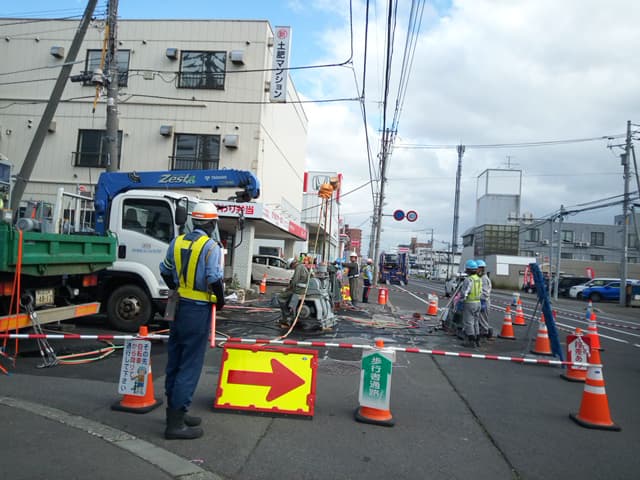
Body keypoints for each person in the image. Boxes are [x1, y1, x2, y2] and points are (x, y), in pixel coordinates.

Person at [159, 201, 225, 440]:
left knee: (175, 361)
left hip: (177, 307)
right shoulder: (211, 247)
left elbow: (165, 271)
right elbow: (214, 278)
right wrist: (221, 300)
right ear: (212, 224)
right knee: (190, 364)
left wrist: (177, 289)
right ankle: (175, 424)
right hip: (197, 311)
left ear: (194, 221)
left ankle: (176, 413)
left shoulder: (176, 242)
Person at [278, 257, 310, 326]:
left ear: (293, 264)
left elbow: (294, 281)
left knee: (280, 297)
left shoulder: (298, 268)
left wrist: (287, 289)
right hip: (303, 289)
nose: (292, 268)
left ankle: (287, 315)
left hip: (298, 290)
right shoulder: (303, 266)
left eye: (291, 267)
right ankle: (288, 314)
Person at [457, 259, 482, 347]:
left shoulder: (468, 280)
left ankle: (471, 341)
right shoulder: (479, 279)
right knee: (475, 322)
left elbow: (464, 293)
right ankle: (477, 340)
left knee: (468, 322)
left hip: (470, 302)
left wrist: (460, 300)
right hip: (478, 302)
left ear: (468, 269)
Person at [476, 259, 493, 339]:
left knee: (483, 318)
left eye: (476, 268)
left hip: (483, 301)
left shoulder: (483, 279)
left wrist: (478, 298)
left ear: (480, 268)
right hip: (483, 301)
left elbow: (485, 293)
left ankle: (484, 333)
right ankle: (483, 331)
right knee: (481, 318)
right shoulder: (482, 277)